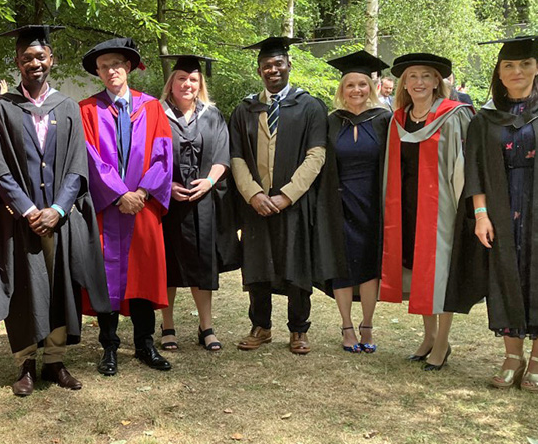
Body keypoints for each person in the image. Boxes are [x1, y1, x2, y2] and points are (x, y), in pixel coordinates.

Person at [446, 35, 538, 390]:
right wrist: (481, 215)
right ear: (499, 73)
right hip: (503, 207)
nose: (518, 71)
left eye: (525, 64)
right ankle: (512, 356)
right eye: (509, 66)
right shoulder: (486, 117)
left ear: (537, 67)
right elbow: (476, 171)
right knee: (505, 277)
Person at [0, 25, 110, 396]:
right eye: (27, 58)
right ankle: (25, 362)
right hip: (20, 220)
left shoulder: (67, 107)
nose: (34, 63)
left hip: (58, 219)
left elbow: (77, 166)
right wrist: (27, 209)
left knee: (59, 285)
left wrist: (57, 209)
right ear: (17, 62)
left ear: (51, 59)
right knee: (24, 287)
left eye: (40, 56)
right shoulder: (1, 109)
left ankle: (55, 360)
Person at [229, 36, 342, 355]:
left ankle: (298, 329)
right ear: (259, 70)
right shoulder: (245, 109)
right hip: (256, 205)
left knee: (297, 265)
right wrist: (252, 194)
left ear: (289, 65)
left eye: (278, 63)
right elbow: (236, 156)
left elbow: (316, 155)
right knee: (257, 266)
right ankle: (261, 326)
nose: (273, 69)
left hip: (294, 204)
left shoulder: (310, 106)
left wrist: (287, 195)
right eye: (267, 65)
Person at [79, 37, 173, 375]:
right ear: (98, 73)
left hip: (143, 208)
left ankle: (145, 344)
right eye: (103, 67)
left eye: (116, 64)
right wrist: (120, 195)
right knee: (106, 277)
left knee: (143, 274)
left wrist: (143, 192)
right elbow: (89, 158)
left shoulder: (152, 107)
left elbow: (163, 156)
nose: (110, 71)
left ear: (128, 67)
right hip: (109, 208)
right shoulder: (87, 110)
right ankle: (109, 347)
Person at [381, 52, 472, 371]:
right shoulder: (398, 119)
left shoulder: (454, 115)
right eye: (412, 77)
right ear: (404, 84)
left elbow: (464, 165)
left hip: (442, 204)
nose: (418, 82)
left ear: (437, 82)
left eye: (425, 76)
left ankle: (443, 342)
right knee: (421, 271)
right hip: (407, 205)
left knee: (440, 272)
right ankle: (429, 336)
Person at [157, 54, 235, 352]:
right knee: (168, 266)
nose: (187, 84)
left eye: (193, 79)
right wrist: (165, 186)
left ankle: (207, 327)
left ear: (200, 84)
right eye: (181, 78)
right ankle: (167, 326)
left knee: (203, 266)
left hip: (203, 203)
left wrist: (210, 182)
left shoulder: (212, 115)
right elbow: (147, 156)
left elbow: (223, 155)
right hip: (168, 204)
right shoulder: (156, 113)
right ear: (171, 83)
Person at [321, 51, 392, 353]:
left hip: (372, 203)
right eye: (350, 85)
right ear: (342, 89)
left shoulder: (384, 120)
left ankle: (368, 325)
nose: (356, 90)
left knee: (368, 264)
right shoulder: (332, 121)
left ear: (371, 88)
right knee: (342, 263)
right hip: (339, 202)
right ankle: (347, 326)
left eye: (362, 84)